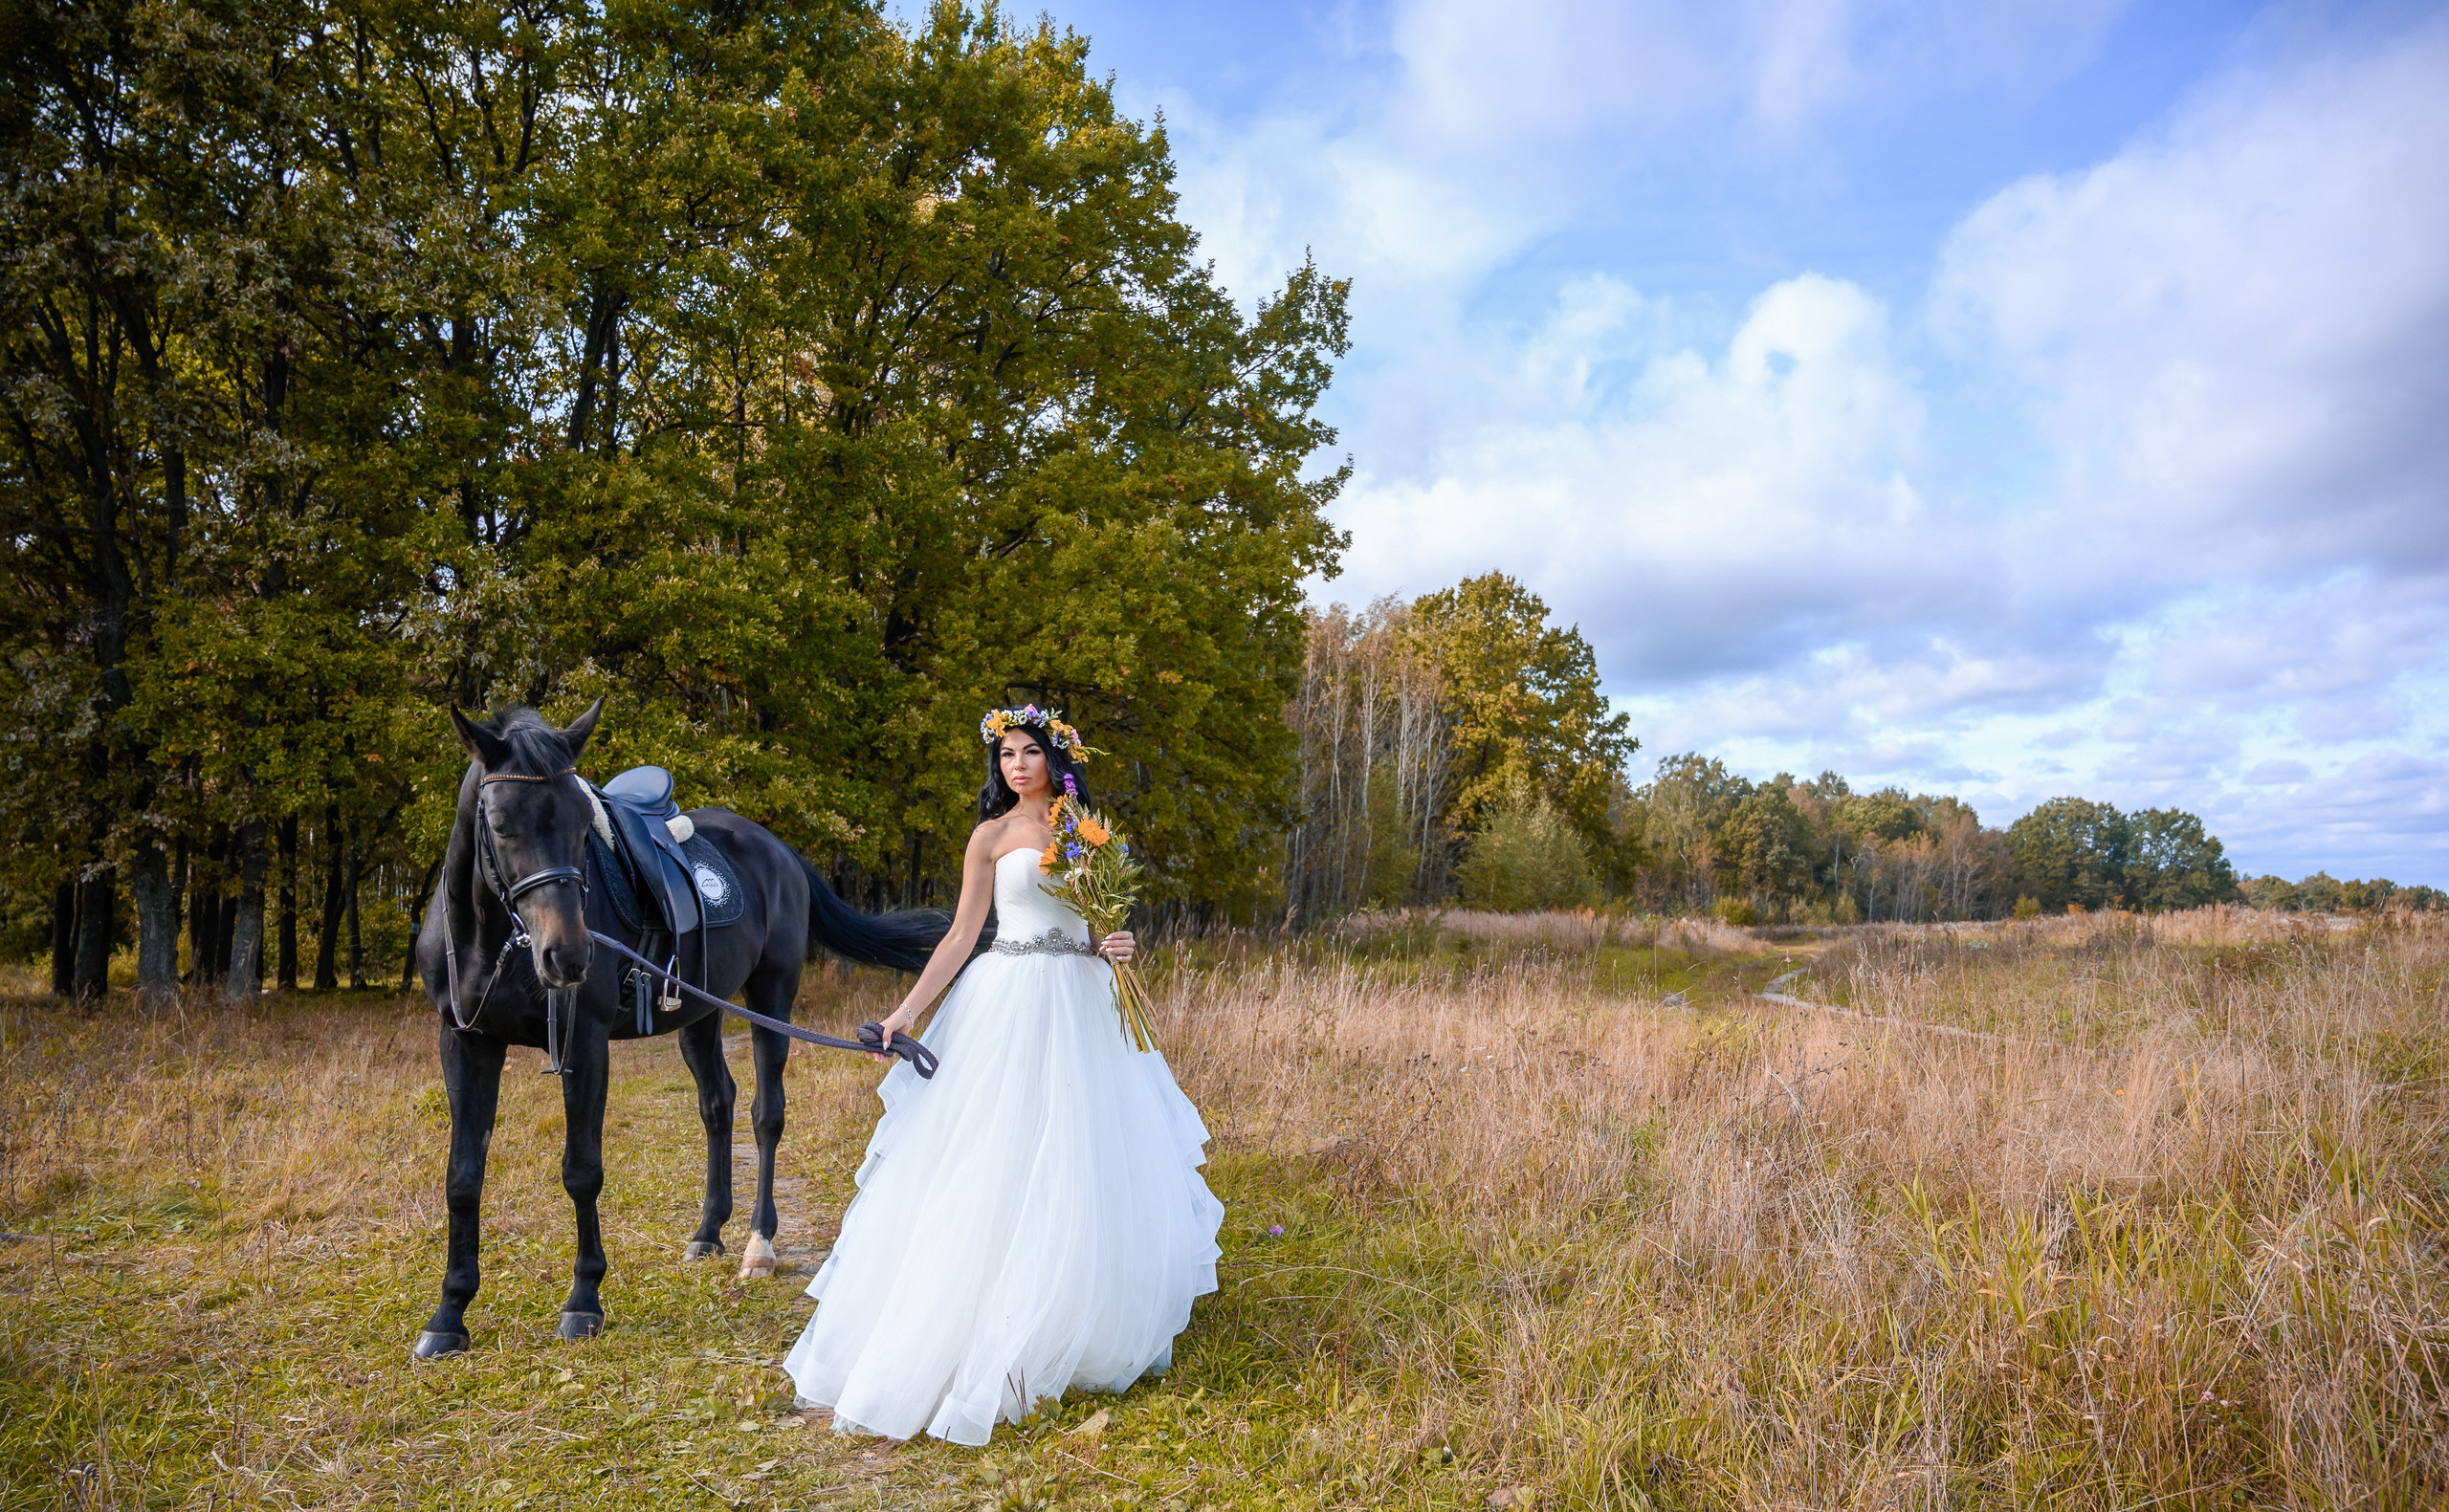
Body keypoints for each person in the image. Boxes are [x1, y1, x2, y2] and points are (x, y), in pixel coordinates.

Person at [782, 706, 1224, 1444]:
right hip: (1006, 998)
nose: (1016, 765)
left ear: (1055, 758)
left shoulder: (1088, 835)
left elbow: (1095, 926)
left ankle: (1070, 1314)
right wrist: (903, 1014)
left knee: (1080, 1152)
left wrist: (1114, 940)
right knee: (990, 1152)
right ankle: (971, 1317)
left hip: (1080, 999)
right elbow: (961, 935)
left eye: (1029, 752)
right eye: (1006, 755)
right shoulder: (988, 837)